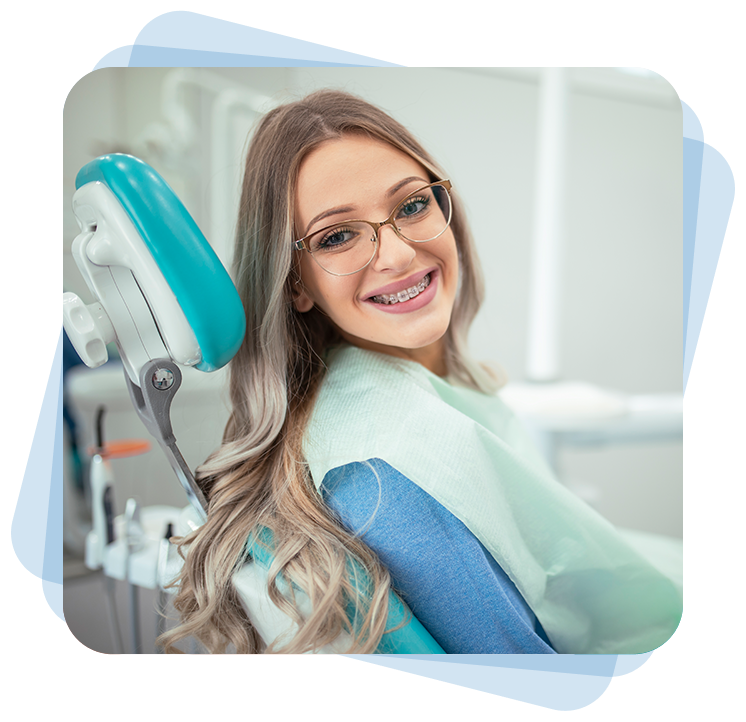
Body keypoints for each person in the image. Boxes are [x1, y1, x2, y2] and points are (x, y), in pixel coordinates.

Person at [159, 89, 681, 656]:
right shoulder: (385, 476)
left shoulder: (398, 397)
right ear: (295, 282)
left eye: (411, 206)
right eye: (338, 235)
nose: (400, 255)